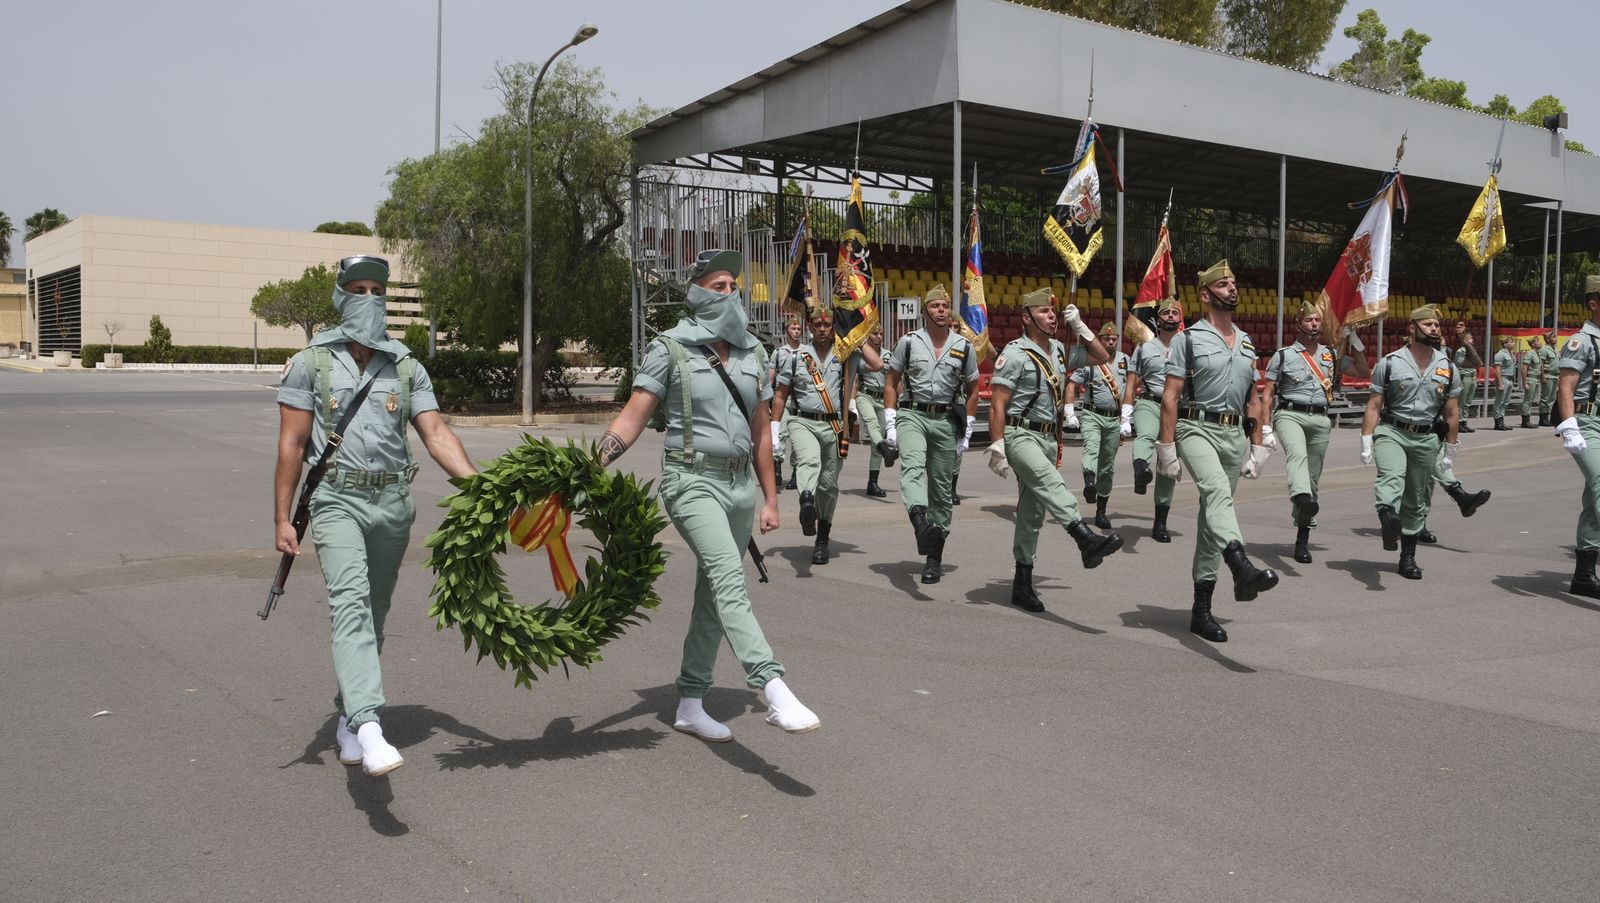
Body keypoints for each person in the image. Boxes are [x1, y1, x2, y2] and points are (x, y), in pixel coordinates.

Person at [597, 249, 819, 741]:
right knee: (727, 577)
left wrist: (770, 498)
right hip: (691, 480)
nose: (729, 293)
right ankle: (773, 686)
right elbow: (632, 417)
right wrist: (590, 466)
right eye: (718, 286)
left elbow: (761, 430)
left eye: (733, 285)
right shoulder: (670, 348)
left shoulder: (752, 352)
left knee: (713, 600)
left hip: (741, 485)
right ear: (696, 292)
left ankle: (691, 703)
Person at [275, 255, 475, 777]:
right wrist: (282, 518)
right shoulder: (310, 363)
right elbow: (292, 444)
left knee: (375, 611)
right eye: (357, 289)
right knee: (350, 605)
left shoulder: (405, 366)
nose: (368, 299)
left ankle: (347, 717)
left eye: (376, 290)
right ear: (340, 295)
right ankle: (369, 725)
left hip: (392, 504)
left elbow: (435, 435)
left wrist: (482, 486)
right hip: (336, 499)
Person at [1155, 260, 1278, 643]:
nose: (1232, 288)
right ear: (1206, 295)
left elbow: (1253, 400)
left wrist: (1258, 445)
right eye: (1223, 285)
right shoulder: (1187, 339)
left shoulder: (1246, 342)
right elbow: (1171, 396)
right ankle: (1240, 564)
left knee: (1212, 521)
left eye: (1234, 283)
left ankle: (1201, 611)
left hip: (1232, 436)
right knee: (1217, 493)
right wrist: (1166, 446)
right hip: (1196, 428)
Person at [985, 287, 1121, 612]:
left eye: (1054, 312)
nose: (1052, 317)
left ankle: (1022, 582)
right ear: (1027, 317)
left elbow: (1103, 357)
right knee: (1050, 482)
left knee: (1032, 513)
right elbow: (998, 404)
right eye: (1045, 312)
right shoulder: (1015, 352)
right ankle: (1083, 537)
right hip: (1021, 434)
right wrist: (998, 444)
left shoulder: (1060, 350)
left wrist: (1081, 327)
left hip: (1048, 438)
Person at [882, 284, 981, 584]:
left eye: (945, 305)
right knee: (912, 466)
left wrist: (969, 427)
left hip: (945, 420)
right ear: (925, 311)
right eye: (935, 306)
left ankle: (934, 556)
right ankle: (919, 521)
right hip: (913, 414)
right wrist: (890, 421)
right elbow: (891, 382)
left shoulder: (964, 347)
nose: (941, 310)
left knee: (941, 489)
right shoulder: (908, 342)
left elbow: (973, 388)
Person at [771, 306, 883, 564]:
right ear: (809, 327)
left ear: (834, 327)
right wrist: (775, 428)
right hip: (803, 421)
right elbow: (781, 394)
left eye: (828, 325)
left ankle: (822, 536)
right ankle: (806, 500)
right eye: (817, 325)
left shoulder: (846, 355)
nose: (822, 329)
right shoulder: (796, 357)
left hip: (834, 426)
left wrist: (855, 336)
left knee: (829, 485)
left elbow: (877, 364)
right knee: (809, 460)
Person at [1261, 300, 1371, 564]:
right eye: (1309, 320)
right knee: (1297, 456)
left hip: (1321, 419)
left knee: (1312, 480)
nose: (1314, 324)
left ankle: (1302, 539)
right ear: (1298, 324)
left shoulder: (1331, 354)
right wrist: (1266, 426)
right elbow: (1268, 393)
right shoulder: (1284, 355)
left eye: (1317, 320)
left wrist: (1355, 344)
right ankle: (1300, 498)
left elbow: (1363, 372)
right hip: (1290, 414)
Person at [1359, 305, 1461, 580]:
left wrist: (1451, 446)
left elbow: (1452, 411)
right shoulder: (1390, 362)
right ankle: (1388, 518)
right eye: (1428, 325)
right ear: (1412, 329)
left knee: (1416, 498)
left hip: (1427, 437)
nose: (1435, 329)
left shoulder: (1448, 367)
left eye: (1437, 325)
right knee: (1392, 475)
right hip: (1393, 431)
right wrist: (1366, 438)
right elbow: (1374, 405)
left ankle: (1407, 557)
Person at [1553, 275, 1600, 598]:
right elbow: (1566, 386)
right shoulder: (1581, 341)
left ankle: (1583, 575)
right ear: (1594, 304)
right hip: (1587, 423)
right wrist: (1569, 425)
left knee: (1592, 497)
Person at [1122, 296, 1183, 542]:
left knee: (1168, 464)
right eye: (1165, 313)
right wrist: (1125, 413)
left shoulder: (1188, 346)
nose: (1170, 316)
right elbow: (1130, 383)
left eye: (1174, 313)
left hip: (1177, 408)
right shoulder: (1144, 347)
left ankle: (1160, 522)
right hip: (1150, 401)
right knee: (1146, 436)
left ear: (1180, 319)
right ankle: (1140, 470)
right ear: (1157, 320)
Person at [1066, 321, 1128, 529]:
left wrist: (1127, 417)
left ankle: (1101, 511)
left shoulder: (1125, 361)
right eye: (1106, 339)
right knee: (1091, 448)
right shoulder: (1090, 361)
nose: (1110, 342)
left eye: (1113, 339)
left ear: (1118, 340)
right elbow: (1072, 385)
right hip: (1092, 415)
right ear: (1099, 341)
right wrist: (1069, 411)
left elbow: (1132, 387)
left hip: (1113, 419)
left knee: (1108, 466)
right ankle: (1089, 482)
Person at [853, 325, 892, 498]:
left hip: (882, 399)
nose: (878, 336)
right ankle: (885, 448)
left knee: (876, 443)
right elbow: (869, 368)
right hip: (865, 395)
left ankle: (873, 483)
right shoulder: (860, 355)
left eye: (881, 333)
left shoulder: (888, 354)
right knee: (872, 424)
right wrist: (852, 402)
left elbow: (893, 380)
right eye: (874, 333)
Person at [768, 316, 804, 491]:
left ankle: (796, 473)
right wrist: (767, 394)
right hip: (783, 397)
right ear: (786, 331)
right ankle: (777, 467)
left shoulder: (806, 351)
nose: (796, 331)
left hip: (800, 398)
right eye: (793, 328)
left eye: (798, 329)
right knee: (780, 433)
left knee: (798, 437)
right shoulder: (779, 352)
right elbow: (772, 374)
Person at [1453, 320, 1482, 433]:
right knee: (1462, 401)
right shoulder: (1462, 350)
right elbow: (1458, 363)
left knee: (1468, 402)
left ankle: (1464, 421)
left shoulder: (1471, 352)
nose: (1472, 340)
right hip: (1464, 376)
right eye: (1470, 339)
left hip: (1472, 377)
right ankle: (1459, 422)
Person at [1492, 336, 1517, 430]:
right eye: (1511, 342)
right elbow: (1497, 370)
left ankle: (1501, 420)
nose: (1513, 343)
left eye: (1513, 342)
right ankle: (1497, 421)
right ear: (1505, 344)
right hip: (1503, 378)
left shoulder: (1511, 354)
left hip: (1509, 379)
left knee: (1505, 401)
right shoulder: (1500, 354)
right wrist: (1500, 383)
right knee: (1500, 401)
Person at [1522, 334, 1545, 429]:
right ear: (1533, 344)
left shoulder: (1537, 354)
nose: (1540, 343)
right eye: (1537, 341)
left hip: (1536, 379)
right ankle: (1525, 421)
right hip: (1531, 378)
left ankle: (1527, 419)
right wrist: (1525, 383)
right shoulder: (1530, 354)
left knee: (1531, 400)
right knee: (1528, 400)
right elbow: (1524, 369)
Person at [1539, 330, 1559, 427]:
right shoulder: (1544, 350)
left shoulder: (1555, 349)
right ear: (1547, 339)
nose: (1555, 339)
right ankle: (1543, 419)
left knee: (1552, 398)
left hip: (1555, 376)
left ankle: (1547, 417)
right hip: (1548, 375)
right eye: (1553, 337)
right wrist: (1542, 376)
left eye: (1555, 337)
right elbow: (1541, 364)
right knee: (1545, 398)